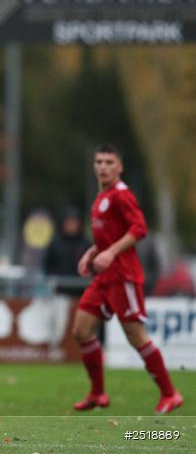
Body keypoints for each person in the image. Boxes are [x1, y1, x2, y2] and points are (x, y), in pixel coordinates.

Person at [72, 144, 182, 414]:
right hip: (104, 277)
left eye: (109, 162)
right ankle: (98, 393)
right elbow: (110, 235)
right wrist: (92, 252)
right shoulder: (101, 197)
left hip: (124, 277)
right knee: (82, 329)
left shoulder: (121, 195)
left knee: (135, 336)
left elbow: (140, 228)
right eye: (99, 162)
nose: (103, 167)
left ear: (119, 167)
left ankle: (170, 394)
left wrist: (109, 253)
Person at [44, 208, 90, 295]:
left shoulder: (86, 245)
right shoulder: (55, 244)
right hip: (59, 291)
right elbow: (48, 266)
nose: (71, 226)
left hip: (81, 292)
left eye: (73, 222)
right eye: (68, 223)